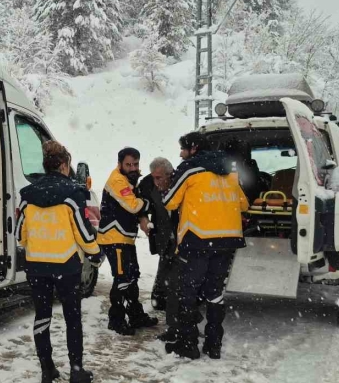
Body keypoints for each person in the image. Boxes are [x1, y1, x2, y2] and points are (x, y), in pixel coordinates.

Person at [17, 141, 100, 383]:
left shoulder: (27, 195)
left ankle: (47, 370)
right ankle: (76, 372)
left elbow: (20, 234)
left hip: (36, 265)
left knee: (42, 316)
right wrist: (95, 253)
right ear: (64, 165)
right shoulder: (72, 194)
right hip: (66, 266)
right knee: (71, 318)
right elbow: (84, 235)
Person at [163, 132, 249, 360]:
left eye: (183, 149)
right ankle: (213, 344)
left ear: (193, 149)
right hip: (227, 241)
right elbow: (243, 203)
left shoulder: (189, 169)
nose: (181, 154)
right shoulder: (230, 170)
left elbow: (169, 201)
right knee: (215, 293)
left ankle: (188, 343)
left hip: (198, 239)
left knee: (187, 293)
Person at [97, 147, 158, 335]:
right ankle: (116, 319)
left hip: (124, 238)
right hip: (113, 238)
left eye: (136, 164)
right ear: (120, 164)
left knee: (132, 276)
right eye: (128, 164)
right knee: (123, 278)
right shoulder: (117, 181)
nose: (133, 168)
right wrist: (150, 203)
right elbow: (133, 205)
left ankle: (135, 315)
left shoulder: (129, 180)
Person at [136, 157, 179, 342]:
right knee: (165, 263)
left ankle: (174, 314)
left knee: (176, 275)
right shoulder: (147, 183)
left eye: (160, 178)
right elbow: (140, 203)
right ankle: (160, 298)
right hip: (162, 235)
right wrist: (143, 218)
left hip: (180, 234)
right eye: (154, 177)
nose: (157, 181)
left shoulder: (180, 181)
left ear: (170, 175)